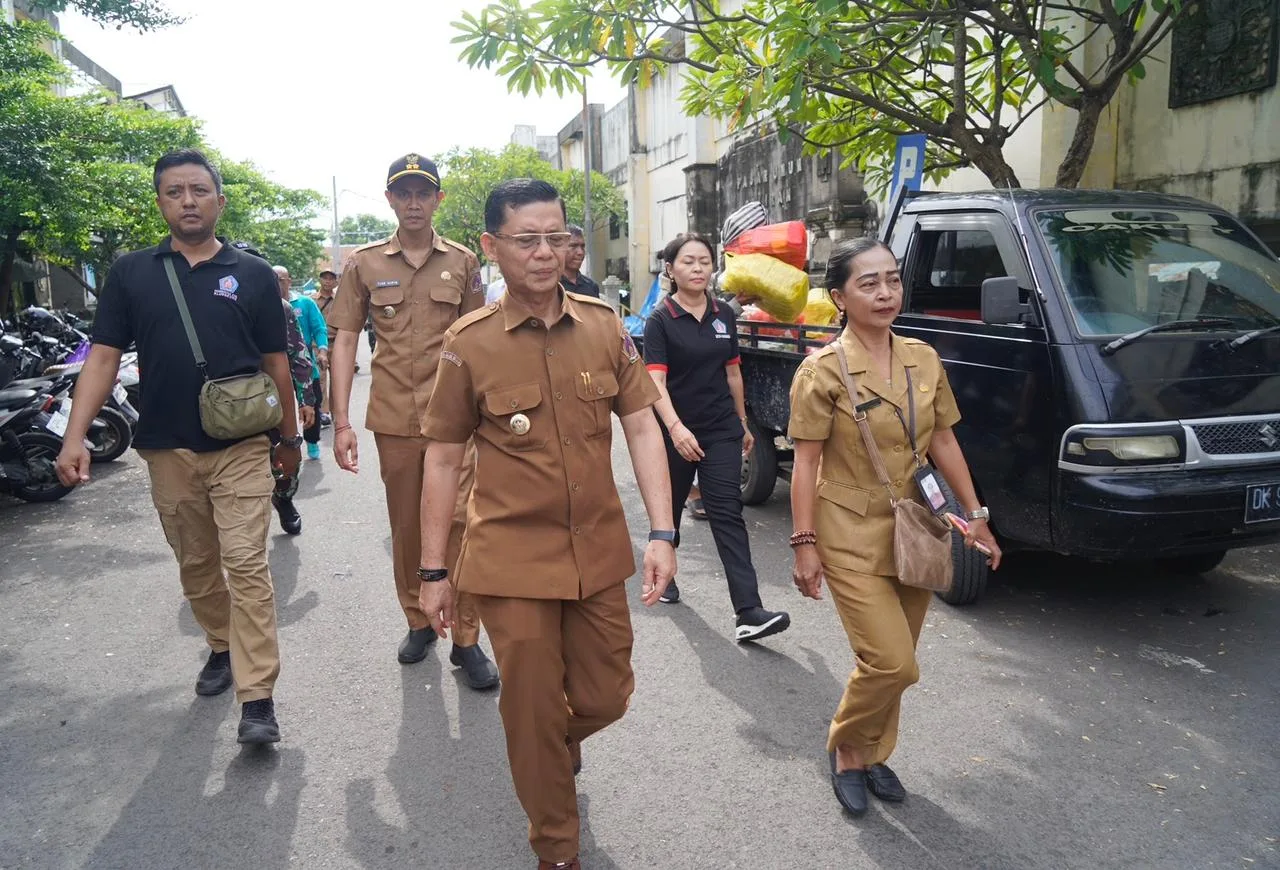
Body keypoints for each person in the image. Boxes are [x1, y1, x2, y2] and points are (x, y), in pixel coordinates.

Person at [417, 178, 677, 870]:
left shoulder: (602, 326)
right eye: (526, 240)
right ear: (491, 246)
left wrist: (662, 531)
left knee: (607, 693)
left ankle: (550, 750)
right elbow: (442, 460)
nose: (543, 253)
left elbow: (643, 428)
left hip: (596, 549)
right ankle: (555, 846)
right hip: (509, 556)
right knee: (530, 708)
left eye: (554, 238)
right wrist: (433, 570)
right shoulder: (468, 343)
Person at [53, 149, 299, 744]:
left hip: (241, 443)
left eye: (198, 190)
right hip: (166, 447)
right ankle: (219, 643)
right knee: (197, 564)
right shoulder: (131, 273)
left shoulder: (254, 273)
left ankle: (257, 697)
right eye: (174, 192)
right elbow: (105, 358)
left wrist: (289, 437)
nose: (187, 201)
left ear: (219, 198)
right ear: (161, 202)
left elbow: (275, 362)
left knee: (246, 562)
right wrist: (74, 436)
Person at [787, 237, 1001, 815]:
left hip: (915, 526)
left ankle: (875, 752)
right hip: (847, 530)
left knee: (895, 654)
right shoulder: (821, 371)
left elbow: (944, 438)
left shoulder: (923, 358)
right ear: (838, 297)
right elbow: (805, 464)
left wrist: (976, 515)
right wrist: (804, 544)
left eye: (892, 280)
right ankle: (845, 749)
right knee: (892, 662)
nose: (885, 293)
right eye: (868, 283)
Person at [326, 153, 499, 690]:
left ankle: (466, 637)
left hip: (458, 419)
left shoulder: (464, 262)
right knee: (407, 526)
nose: (415, 201)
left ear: (438, 199)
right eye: (405, 192)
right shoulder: (365, 263)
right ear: (391, 200)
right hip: (395, 418)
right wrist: (341, 422)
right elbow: (346, 338)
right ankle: (419, 618)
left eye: (424, 192)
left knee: (463, 524)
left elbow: (480, 336)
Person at [642, 233, 791, 642]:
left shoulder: (724, 313)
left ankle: (749, 610)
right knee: (667, 511)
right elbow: (655, 382)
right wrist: (675, 428)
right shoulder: (660, 320)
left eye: (704, 261)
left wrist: (742, 422)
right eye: (687, 261)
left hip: (721, 429)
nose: (697, 268)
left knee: (727, 513)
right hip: (674, 431)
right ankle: (663, 574)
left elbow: (732, 372)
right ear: (670, 269)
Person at [275, 266, 328, 461]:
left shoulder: (304, 303)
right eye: (274, 279)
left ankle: (312, 440)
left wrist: (322, 350)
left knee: (312, 402)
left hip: (303, 365)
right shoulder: (264, 304)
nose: (278, 283)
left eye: (282, 279)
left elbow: (319, 328)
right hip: (277, 367)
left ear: (289, 281)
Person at [312, 267, 340, 421]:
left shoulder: (340, 300)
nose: (328, 281)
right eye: (325, 278)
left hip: (336, 343)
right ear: (320, 280)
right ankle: (323, 412)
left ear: (335, 281)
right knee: (321, 378)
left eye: (331, 278)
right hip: (318, 345)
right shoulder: (312, 300)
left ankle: (337, 411)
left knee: (337, 379)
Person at [560, 225, 600, 298]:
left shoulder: (591, 286)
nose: (580, 252)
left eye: (582, 246)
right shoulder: (552, 286)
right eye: (573, 246)